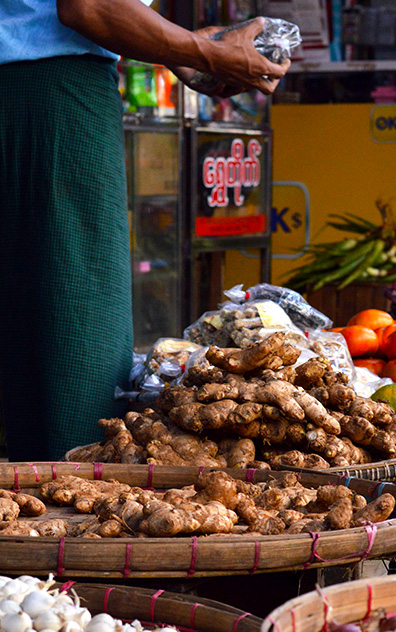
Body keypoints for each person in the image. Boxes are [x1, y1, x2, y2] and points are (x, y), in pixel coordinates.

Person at [0, 1, 290, 461]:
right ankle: (71, 517)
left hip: (34, 95)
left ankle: (28, 511)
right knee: (79, 332)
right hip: (52, 102)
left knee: (26, 342)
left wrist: (179, 47)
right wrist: (208, 54)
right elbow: (87, 8)